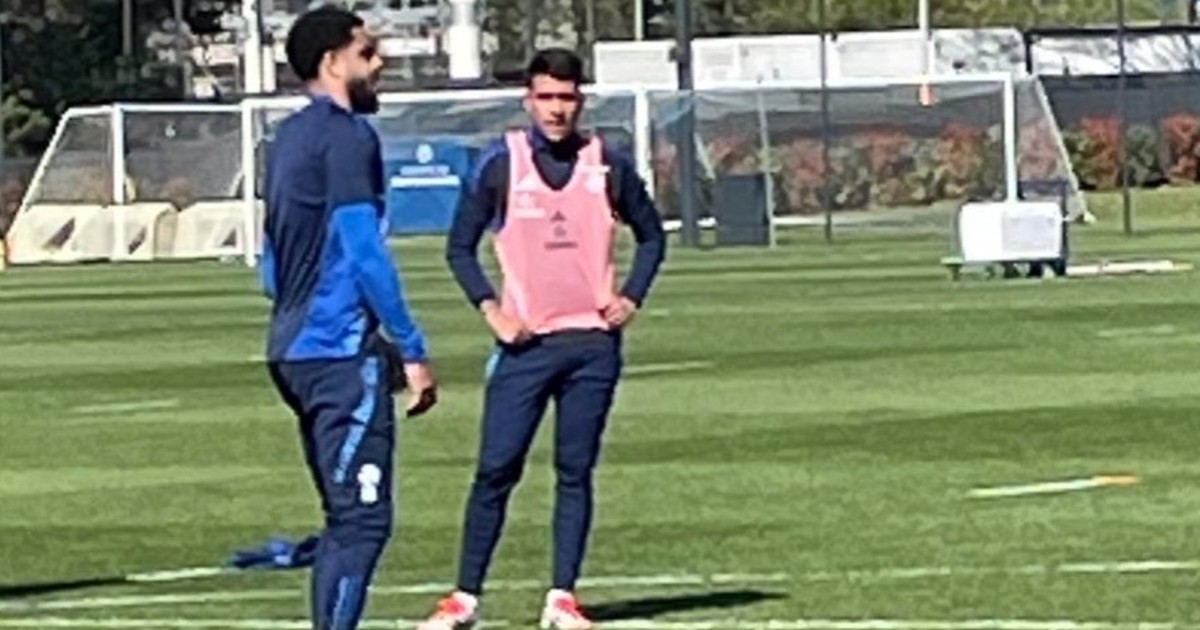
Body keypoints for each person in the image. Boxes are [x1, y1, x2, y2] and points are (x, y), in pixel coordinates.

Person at [417, 48, 667, 630]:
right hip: (525, 348)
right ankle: (464, 598)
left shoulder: (607, 164)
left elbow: (653, 236)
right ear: (528, 100)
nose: (557, 109)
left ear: (581, 100)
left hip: (592, 347)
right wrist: (493, 311)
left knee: (574, 470)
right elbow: (459, 248)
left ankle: (562, 596)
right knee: (496, 469)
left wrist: (631, 297)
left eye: (567, 97)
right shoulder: (500, 163)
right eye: (546, 97)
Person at [259, 6, 438, 629]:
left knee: (345, 519)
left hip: (292, 349)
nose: (379, 63)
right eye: (367, 52)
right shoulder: (346, 136)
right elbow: (364, 250)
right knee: (362, 522)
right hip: (335, 351)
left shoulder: (288, 138)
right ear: (333, 62)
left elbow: (270, 267)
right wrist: (410, 347)